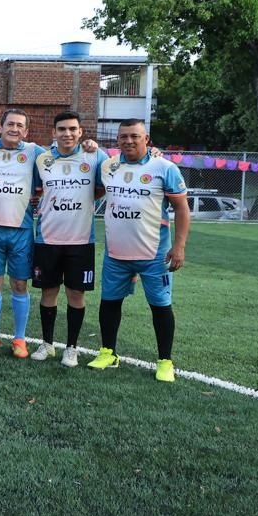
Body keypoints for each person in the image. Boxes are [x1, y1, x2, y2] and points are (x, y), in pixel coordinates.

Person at [88, 119, 190, 382]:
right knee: (109, 302)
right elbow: (94, 190)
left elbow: (182, 208)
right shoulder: (108, 166)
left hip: (154, 254)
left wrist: (179, 247)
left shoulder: (164, 167)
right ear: (117, 140)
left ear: (147, 139)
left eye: (134, 136)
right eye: (123, 136)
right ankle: (108, 352)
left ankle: (165, 361)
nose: (128, 141)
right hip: (116, 253)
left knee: (160, 306)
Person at [29, 112, 102, 368]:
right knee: (48, 292)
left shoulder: (95, 156)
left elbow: (107, 181)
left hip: (81, 240)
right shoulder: (42, 159)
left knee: (76, 294)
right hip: (47, 239)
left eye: (72, 129)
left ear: (81, 132)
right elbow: (35, 190)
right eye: (62, 129)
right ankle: (47, 344)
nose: (67, 133)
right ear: (54, 132)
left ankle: (71, 348)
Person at [0, 109, 45, 359]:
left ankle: (20, 339)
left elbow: (61, 163)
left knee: (19, 284)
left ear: (26, 131)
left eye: (20, 125)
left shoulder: (34, 151)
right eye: (10, 124)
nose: (14, 129)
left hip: (22, 230)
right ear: (0, 127)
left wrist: (90, 147)